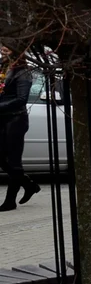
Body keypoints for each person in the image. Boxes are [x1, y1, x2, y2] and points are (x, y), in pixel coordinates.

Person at [0, 44, 40, 211]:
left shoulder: (23, 72)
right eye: (2, 47)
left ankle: (10, 201)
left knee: (14, 160)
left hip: (15, 119)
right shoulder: (3, 66)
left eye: (7, 48)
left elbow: (21, 99)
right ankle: (28, 184)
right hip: (2, 119)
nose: (3, 50)